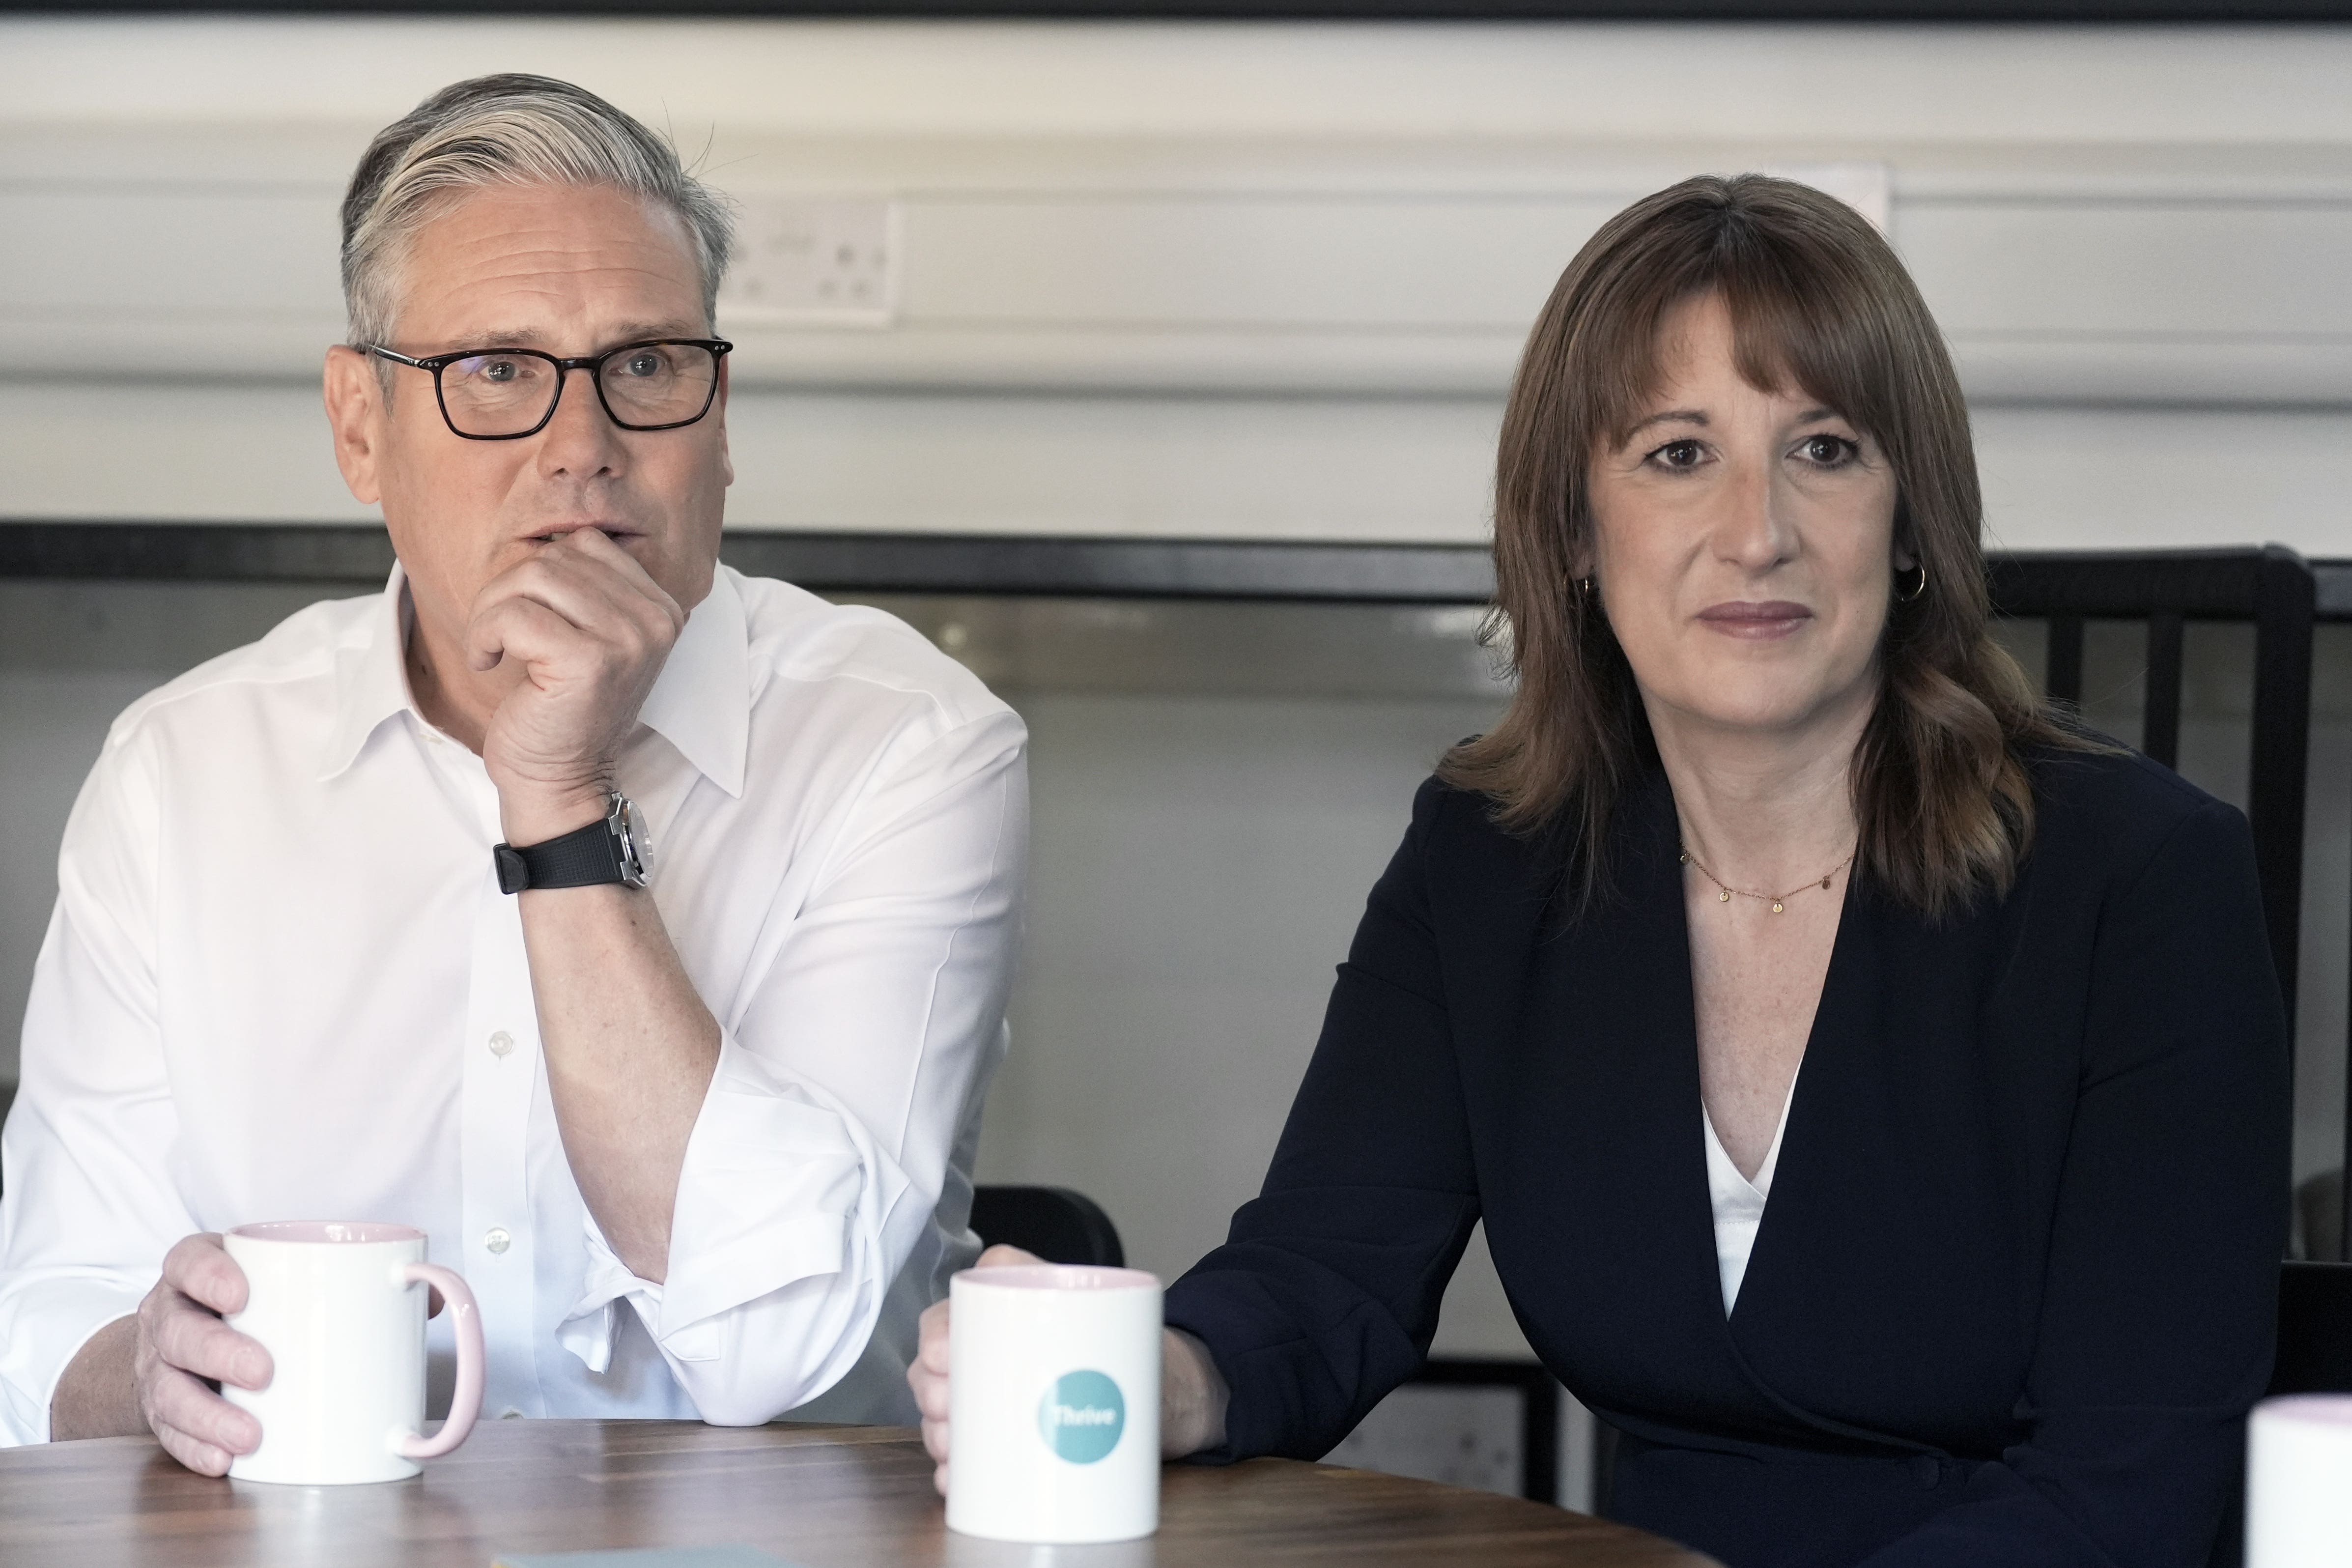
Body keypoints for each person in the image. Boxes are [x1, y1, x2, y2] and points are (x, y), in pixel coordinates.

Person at [911, 174, 2288, 1568]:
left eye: (1823, 449)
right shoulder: (1492, 856)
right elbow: (1332, 1270)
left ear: (1910, 518)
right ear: (1574, 530)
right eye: (1676, 455)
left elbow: (2135, 1474)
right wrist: (1168, 1376)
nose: (1755, 532)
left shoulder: (2142, 878)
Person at [0, 75, 1027, 1470]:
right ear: (360, 427)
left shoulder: (906, 745)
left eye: (649, 366)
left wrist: (557, 799)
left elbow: (776, 1347)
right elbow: (43, 1318)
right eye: (495, 370)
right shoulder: (183, 772)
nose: (583, 448)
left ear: (721, 429)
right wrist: (151, 1365)